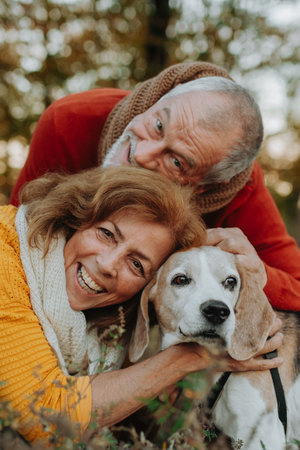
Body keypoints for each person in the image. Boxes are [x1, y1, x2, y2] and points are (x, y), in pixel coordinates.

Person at [10, 61, 300, 315]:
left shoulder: (241, 189)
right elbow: (13, 244)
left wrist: (260, 275)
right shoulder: (69, 121)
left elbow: (296, 286)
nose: (141, 154)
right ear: (159, 99)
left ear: (206, 186)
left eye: (176, 162)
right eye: (158, 125)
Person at [0, 165, 210, 443]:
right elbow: (44, 418)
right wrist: (188, 358)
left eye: (136, 264)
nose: (108, 264)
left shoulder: (108, 331)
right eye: (107, 234)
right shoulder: (6, 254)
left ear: (146, 289)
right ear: (76, 217)